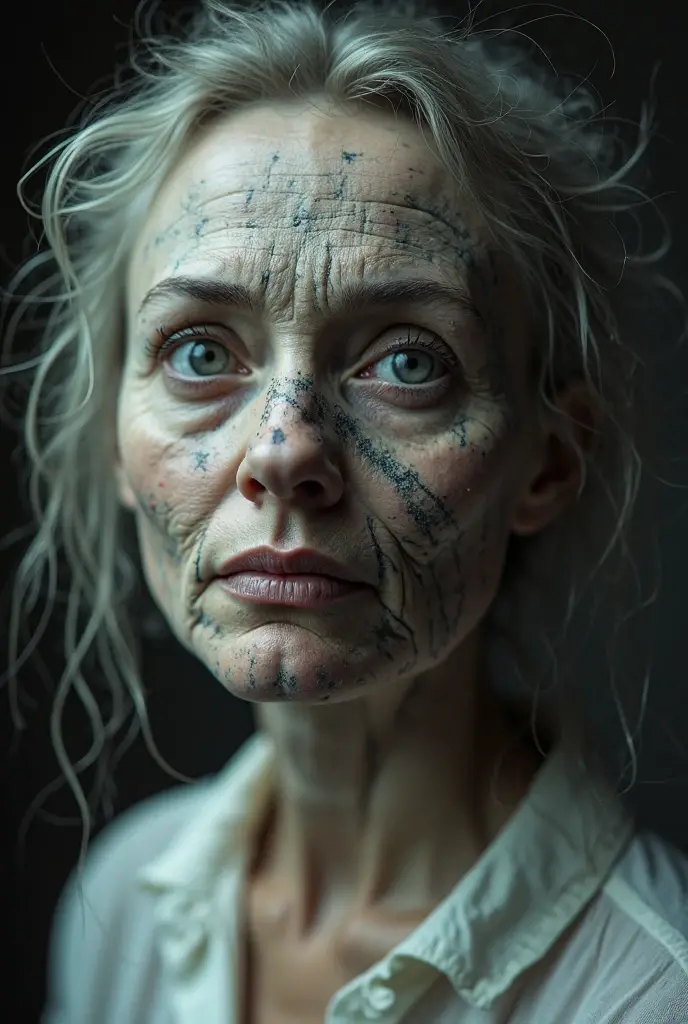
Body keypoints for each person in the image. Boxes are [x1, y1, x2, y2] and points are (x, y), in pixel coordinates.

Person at [1, 0, 687, 1021]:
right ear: (113, 437)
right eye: (201, 351)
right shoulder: (124, 912)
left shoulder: (649, 992)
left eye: (407, 362)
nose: (284, 453)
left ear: (548, 462)